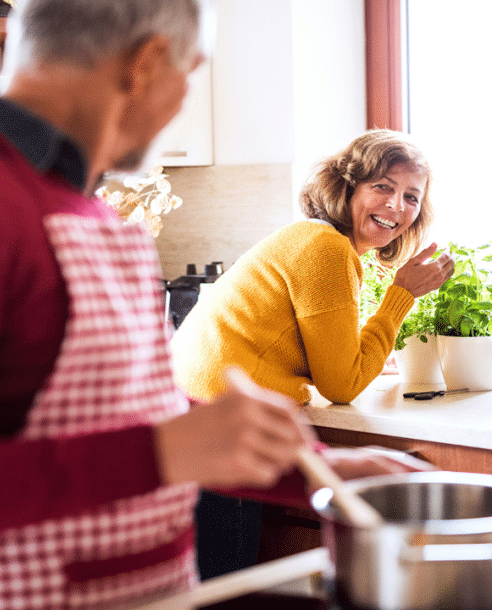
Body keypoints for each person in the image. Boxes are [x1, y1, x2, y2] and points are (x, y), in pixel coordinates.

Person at [0, 2, 423, 609]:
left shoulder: (89, 209)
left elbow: (127, 413)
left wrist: (320, 470)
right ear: (147, 63)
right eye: (192, 70)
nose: (185, 100)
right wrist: (164, 452)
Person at [171, 129, 455, 578]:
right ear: (347, 188)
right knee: (224, 583)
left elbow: (325, 358)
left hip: (203, 419)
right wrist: (401, 295)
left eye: (411, 197)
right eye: (382, 186)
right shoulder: (326, 249)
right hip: (230, 429)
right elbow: (341, 384)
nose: (396, 206)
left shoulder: (313, 240)